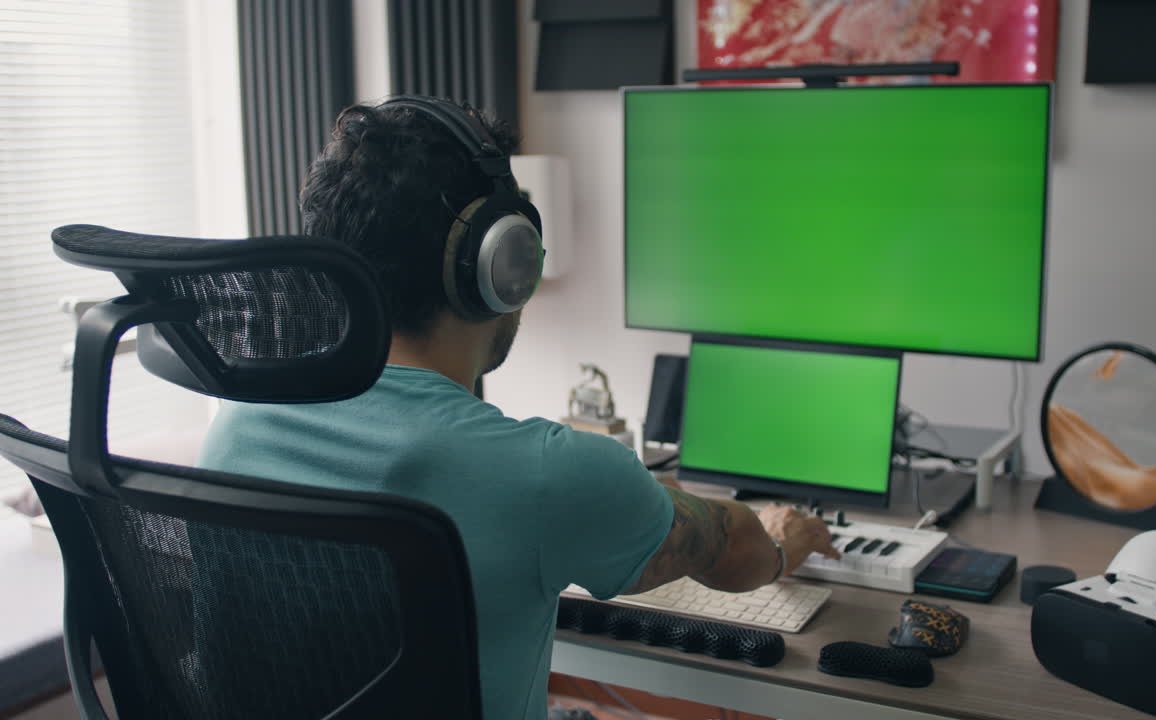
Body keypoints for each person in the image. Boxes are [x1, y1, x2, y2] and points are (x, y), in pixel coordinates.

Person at [197, 95, 838, 720]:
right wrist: (781, 541)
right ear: (506, 264)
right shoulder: (546, 474)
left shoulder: (235, 431)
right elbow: (728, 546)